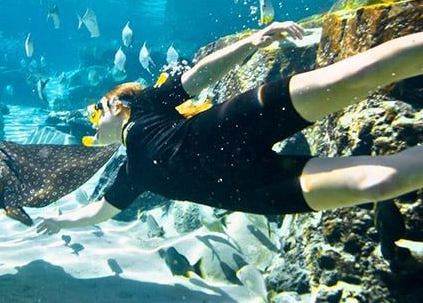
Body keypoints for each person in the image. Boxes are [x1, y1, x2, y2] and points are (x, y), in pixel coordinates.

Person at [36, 21, 423, 234]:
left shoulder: (145, 104)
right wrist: (58, 220)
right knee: (379, 183)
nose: (92, 121)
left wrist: (251, 43)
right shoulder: (131, 173)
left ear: (116, 105)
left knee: (357, 75)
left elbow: (198, 76)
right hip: (252, 188)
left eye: (94, 111)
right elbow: (99, 212)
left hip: (236, 123)